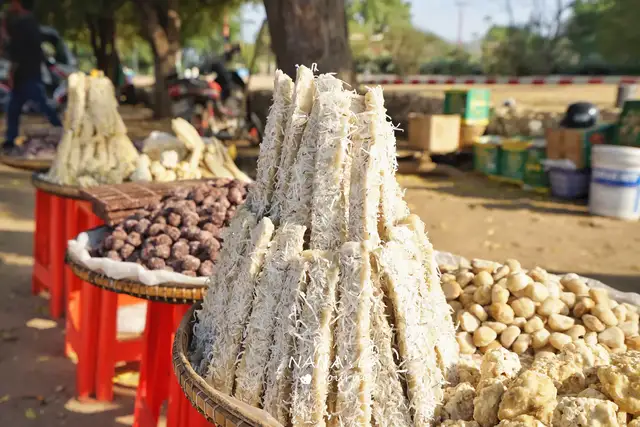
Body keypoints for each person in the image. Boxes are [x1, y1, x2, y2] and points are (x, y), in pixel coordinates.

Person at [2, 0, 62, 154]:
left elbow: (16, 52)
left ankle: (62, 129)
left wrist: (11, 73)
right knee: (14, 107)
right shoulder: (31, 23)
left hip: (25, 73)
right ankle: (9, 140)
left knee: (41, 103)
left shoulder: (22, 25)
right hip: (30, 72)